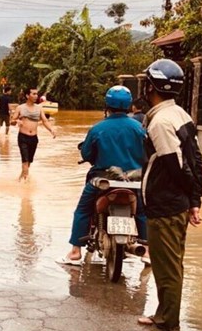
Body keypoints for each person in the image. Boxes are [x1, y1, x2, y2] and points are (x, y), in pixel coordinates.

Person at [133, 59, 202, 331]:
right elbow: (197, 162)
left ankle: (166, 328)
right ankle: (163, 313)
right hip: (175, 202)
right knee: (168, 264)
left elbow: (177, 166)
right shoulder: (178, 114)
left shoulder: (161, 122)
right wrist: (194, 199)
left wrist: (188, 199)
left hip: (166, 205)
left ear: (152, 86)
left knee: (167, 267)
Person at [60, 86, 147, 265]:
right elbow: (148, 154)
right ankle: (147, 252)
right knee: (143, 211)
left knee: (83, 210)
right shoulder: (140, 128)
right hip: (135, 182)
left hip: (102, 181)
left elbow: (86, 155)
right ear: (129, 105)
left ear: (107, 105)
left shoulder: (98, 128)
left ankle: (75, 251)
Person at [10, 87, 56, 182]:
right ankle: (25, 189)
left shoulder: (39, 108)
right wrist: (17, 121)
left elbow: (45, 121)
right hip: (23, 137)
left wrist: (51, 129)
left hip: (34, 139)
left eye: (37, 94)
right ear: (27, 95)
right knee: (25, 161)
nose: (36, 96)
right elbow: (12, 121)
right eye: (34, 94)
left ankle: (19, 180)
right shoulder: (20, 108)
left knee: (28, 163)